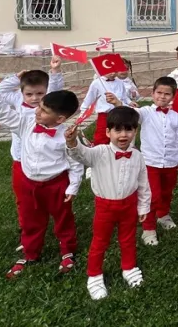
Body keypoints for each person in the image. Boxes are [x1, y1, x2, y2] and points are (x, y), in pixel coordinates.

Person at [0, 79, 82, 279]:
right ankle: (30, 253)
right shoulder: (26, 123)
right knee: (31, 220)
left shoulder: (67, 136)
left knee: (63, 218)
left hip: (56, 184)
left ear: (60, 119)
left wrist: (73, 186)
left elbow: (75, 163)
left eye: (44, 110)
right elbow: (3, 114)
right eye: (40, 106)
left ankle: (67, 250)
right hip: (29, 183)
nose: (37, 111)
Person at [65, 106, 151, 300]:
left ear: (135, 131)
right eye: (117, 130)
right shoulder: (99, 152)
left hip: (129, 205)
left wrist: (143, 206)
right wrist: (72, 142)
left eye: (128, 129)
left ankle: (129, 267)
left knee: (128, 238)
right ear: (107, 132)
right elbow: (80, 154)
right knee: (100, 241)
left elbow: (143, 182)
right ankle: (94, 275)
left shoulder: (138, 156)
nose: (123, 135)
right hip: (105, 207)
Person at [0, 57, 64, 251]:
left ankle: (63, 235)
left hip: (47, 160)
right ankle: (27, 230)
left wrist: (55, 71)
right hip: (21, 159)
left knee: (54, 201)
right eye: (29, 94)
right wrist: (16, 78)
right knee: (24, 200)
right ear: (22, 92)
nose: (35, 98)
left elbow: (57, 90)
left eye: (40, 93)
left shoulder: (49, 103)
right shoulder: (17, 99)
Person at [111, 76, 178, 246]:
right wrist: (118, 103)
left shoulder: (175, 116)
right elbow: (131, 114)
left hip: (171, 161)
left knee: (167, 192)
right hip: (150, 162)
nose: (162, 96)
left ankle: (163, 215)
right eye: (159, 92)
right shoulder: (145, 112)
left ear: (173, 96)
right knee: (152, 195)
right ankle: (148, 228)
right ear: (152, 93)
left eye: (167, 94)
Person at [79, 71, 130, 147]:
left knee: (119, 133)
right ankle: (100, 149)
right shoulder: (97, 83)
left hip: (119, 112)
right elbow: (89, 99)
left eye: (115, 71)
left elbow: (124, 96)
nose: (113, 73)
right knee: (102, 135)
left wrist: (129, 102)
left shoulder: (120, 82)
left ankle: (117, 149)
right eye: (110, 71)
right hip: (105, 115)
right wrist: (83, 112)